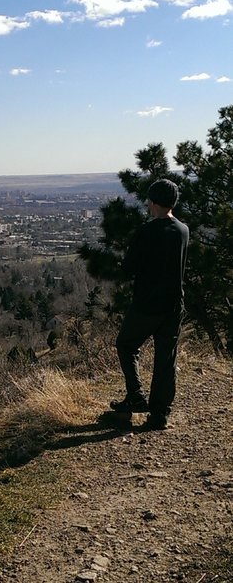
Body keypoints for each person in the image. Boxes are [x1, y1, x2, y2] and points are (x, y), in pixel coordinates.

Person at [110, 179, 189, 429]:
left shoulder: (147, 231)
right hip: (174, 305)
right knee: (166, 360)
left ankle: (136, 396)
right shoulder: (182, 230)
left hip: (147, 304)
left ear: (152, 203)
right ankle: (160, 416)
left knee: (126, 344)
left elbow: (129, 267)